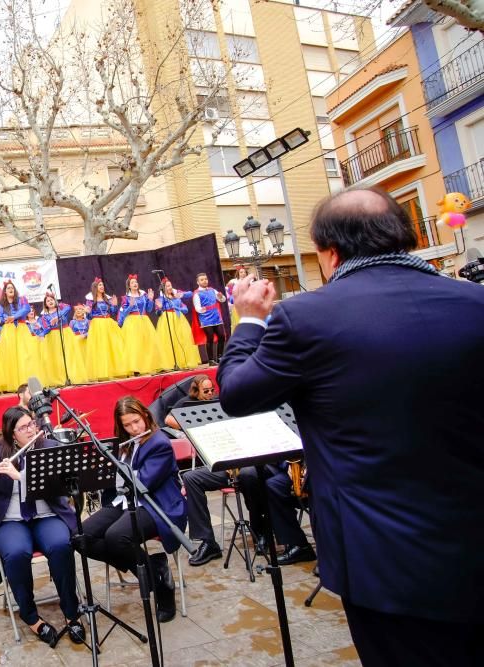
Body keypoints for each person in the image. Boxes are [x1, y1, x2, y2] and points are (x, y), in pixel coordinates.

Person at [218, 187, 484, 665]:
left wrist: (248, 321)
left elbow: (236, 394)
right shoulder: (475, 301)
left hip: (383, 560)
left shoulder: (306, 317)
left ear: (331, 253)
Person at [0, 406, 83, 647]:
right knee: (16, 553)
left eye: (32, 423)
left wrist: (19, 476)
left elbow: (58, 488)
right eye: (23, 428)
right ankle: (30, 616)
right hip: (10, 520)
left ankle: (72, 613)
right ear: (12, 434)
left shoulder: (49, 447)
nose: (32, 429)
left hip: (46, 514)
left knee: (61, 545)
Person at [76, 397, 186, 622]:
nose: (134, 428)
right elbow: (116, 481)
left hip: (155, 503)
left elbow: (143, 483)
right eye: (127, 425)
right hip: (124, 500)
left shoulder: (159, 444)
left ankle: (162, 590)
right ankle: (154, 570)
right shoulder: (124, 443)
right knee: (82, 537)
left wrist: (115, 472)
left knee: (117, 536)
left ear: (145, 415)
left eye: (137, 421)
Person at [117, 274, 162, 376]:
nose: (135, 284)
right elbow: (123, 314)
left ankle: (149, 366)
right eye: (132, 283)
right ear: (129, 286)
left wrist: (150, 299)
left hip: (144, 320)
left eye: (136, 282)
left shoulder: (143, 295)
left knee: (147, 343)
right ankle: (136, 368)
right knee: (134, 345)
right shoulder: (126, 298)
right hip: (132, 322)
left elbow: (149, 309)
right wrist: (130, 306)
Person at [153, 278, 201, 369]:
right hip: (167, 320)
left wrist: (180, 299)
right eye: (167, 286)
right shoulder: (160, 299)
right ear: (163, 288)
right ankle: (172, 363)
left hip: (179, 319)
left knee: (183, 339)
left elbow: (186, 308)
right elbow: (158, 314)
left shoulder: (176, 296)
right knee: (170, 341)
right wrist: (159, 308)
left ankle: (185, 362)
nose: (170, 287)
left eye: (170, 285)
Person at [85, 277, 126, 380]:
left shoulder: (107, 299)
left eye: (102, 285)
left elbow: (112, 313)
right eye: (100, 285)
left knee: (113, 346)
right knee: (101, 348)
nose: (102, 286)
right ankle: (102, 373)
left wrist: (115, 305)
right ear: (95, 287)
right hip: (97, 325)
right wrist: (88, 312)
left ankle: (116, 370)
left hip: (108, 323)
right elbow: (89, 317)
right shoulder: (90, 301)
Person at [0, 281, 32, 387]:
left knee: (24, 355)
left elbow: (26, 309)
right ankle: (14, 384)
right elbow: (2, 319)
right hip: (8, 331)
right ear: (5, 292)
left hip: (21, 328)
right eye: (8, 288)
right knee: (11, 356)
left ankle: (27, 381)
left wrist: (14, 317)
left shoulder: (22, 299)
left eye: (12, 288)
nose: (10, 289)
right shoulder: (2, 305)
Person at [192, 272, 227, 366]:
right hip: (206, 319)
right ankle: (211, 360)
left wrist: (221, 297)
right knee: (210, 338)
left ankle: (220, 357)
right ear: (198, 282)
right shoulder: (197, 294)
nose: (204, 281)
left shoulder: (212, 290)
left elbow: (222, 299)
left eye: (205, 279)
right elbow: (197, 307)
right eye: (202, 280)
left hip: (216, 317)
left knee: (222, 336)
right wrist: (201, 310)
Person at [36, 293, 70, 386]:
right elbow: (47, 328)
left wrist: (57, 317)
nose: (50, 302)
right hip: (53, 337)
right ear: (46, 304)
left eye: (51, 300)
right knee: (57, 358)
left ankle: (70, 376)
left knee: (68, 355)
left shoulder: (62, 307)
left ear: (55, 301)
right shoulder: (44, 317)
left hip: (65, 333)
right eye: (48, 301)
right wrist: (42, 334)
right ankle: (60, 379)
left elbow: (68, 308)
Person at [66, 304, 91, 383]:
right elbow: (69, 333)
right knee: (78, 359)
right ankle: (80, 376)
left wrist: (85, 335)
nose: (78, 311)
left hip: (85, 342)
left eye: (80, 309)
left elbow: (91, 331)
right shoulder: (72, 322)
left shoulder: (87, 321)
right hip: (76, 342)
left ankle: (88, 375)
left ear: (84, 311)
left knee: (86, 358)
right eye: (77, 310)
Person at [225, 266, 249, 331]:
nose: (243, 273)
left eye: (244, 272)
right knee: (239, 322)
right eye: (241, 272)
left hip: (248, 304)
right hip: (238, 305)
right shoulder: (233, 282)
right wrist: (230, 300)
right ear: (238, 273)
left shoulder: (250, 282)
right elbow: (227, 292)